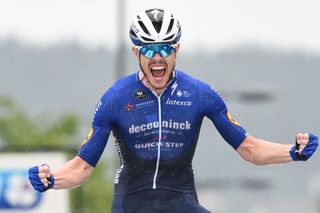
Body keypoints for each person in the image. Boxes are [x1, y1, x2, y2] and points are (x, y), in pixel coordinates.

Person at [28, 8, 318, 213]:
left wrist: (292, 151)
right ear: (135, 53)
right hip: (133, 203)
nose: (158, 57)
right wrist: (51, 180)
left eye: (165, 49)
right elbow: (82, 168)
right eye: (149, 49)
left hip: (181, 202)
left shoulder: (200, 94)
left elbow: (249, 149)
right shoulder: (115, 98)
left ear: (177, 51)